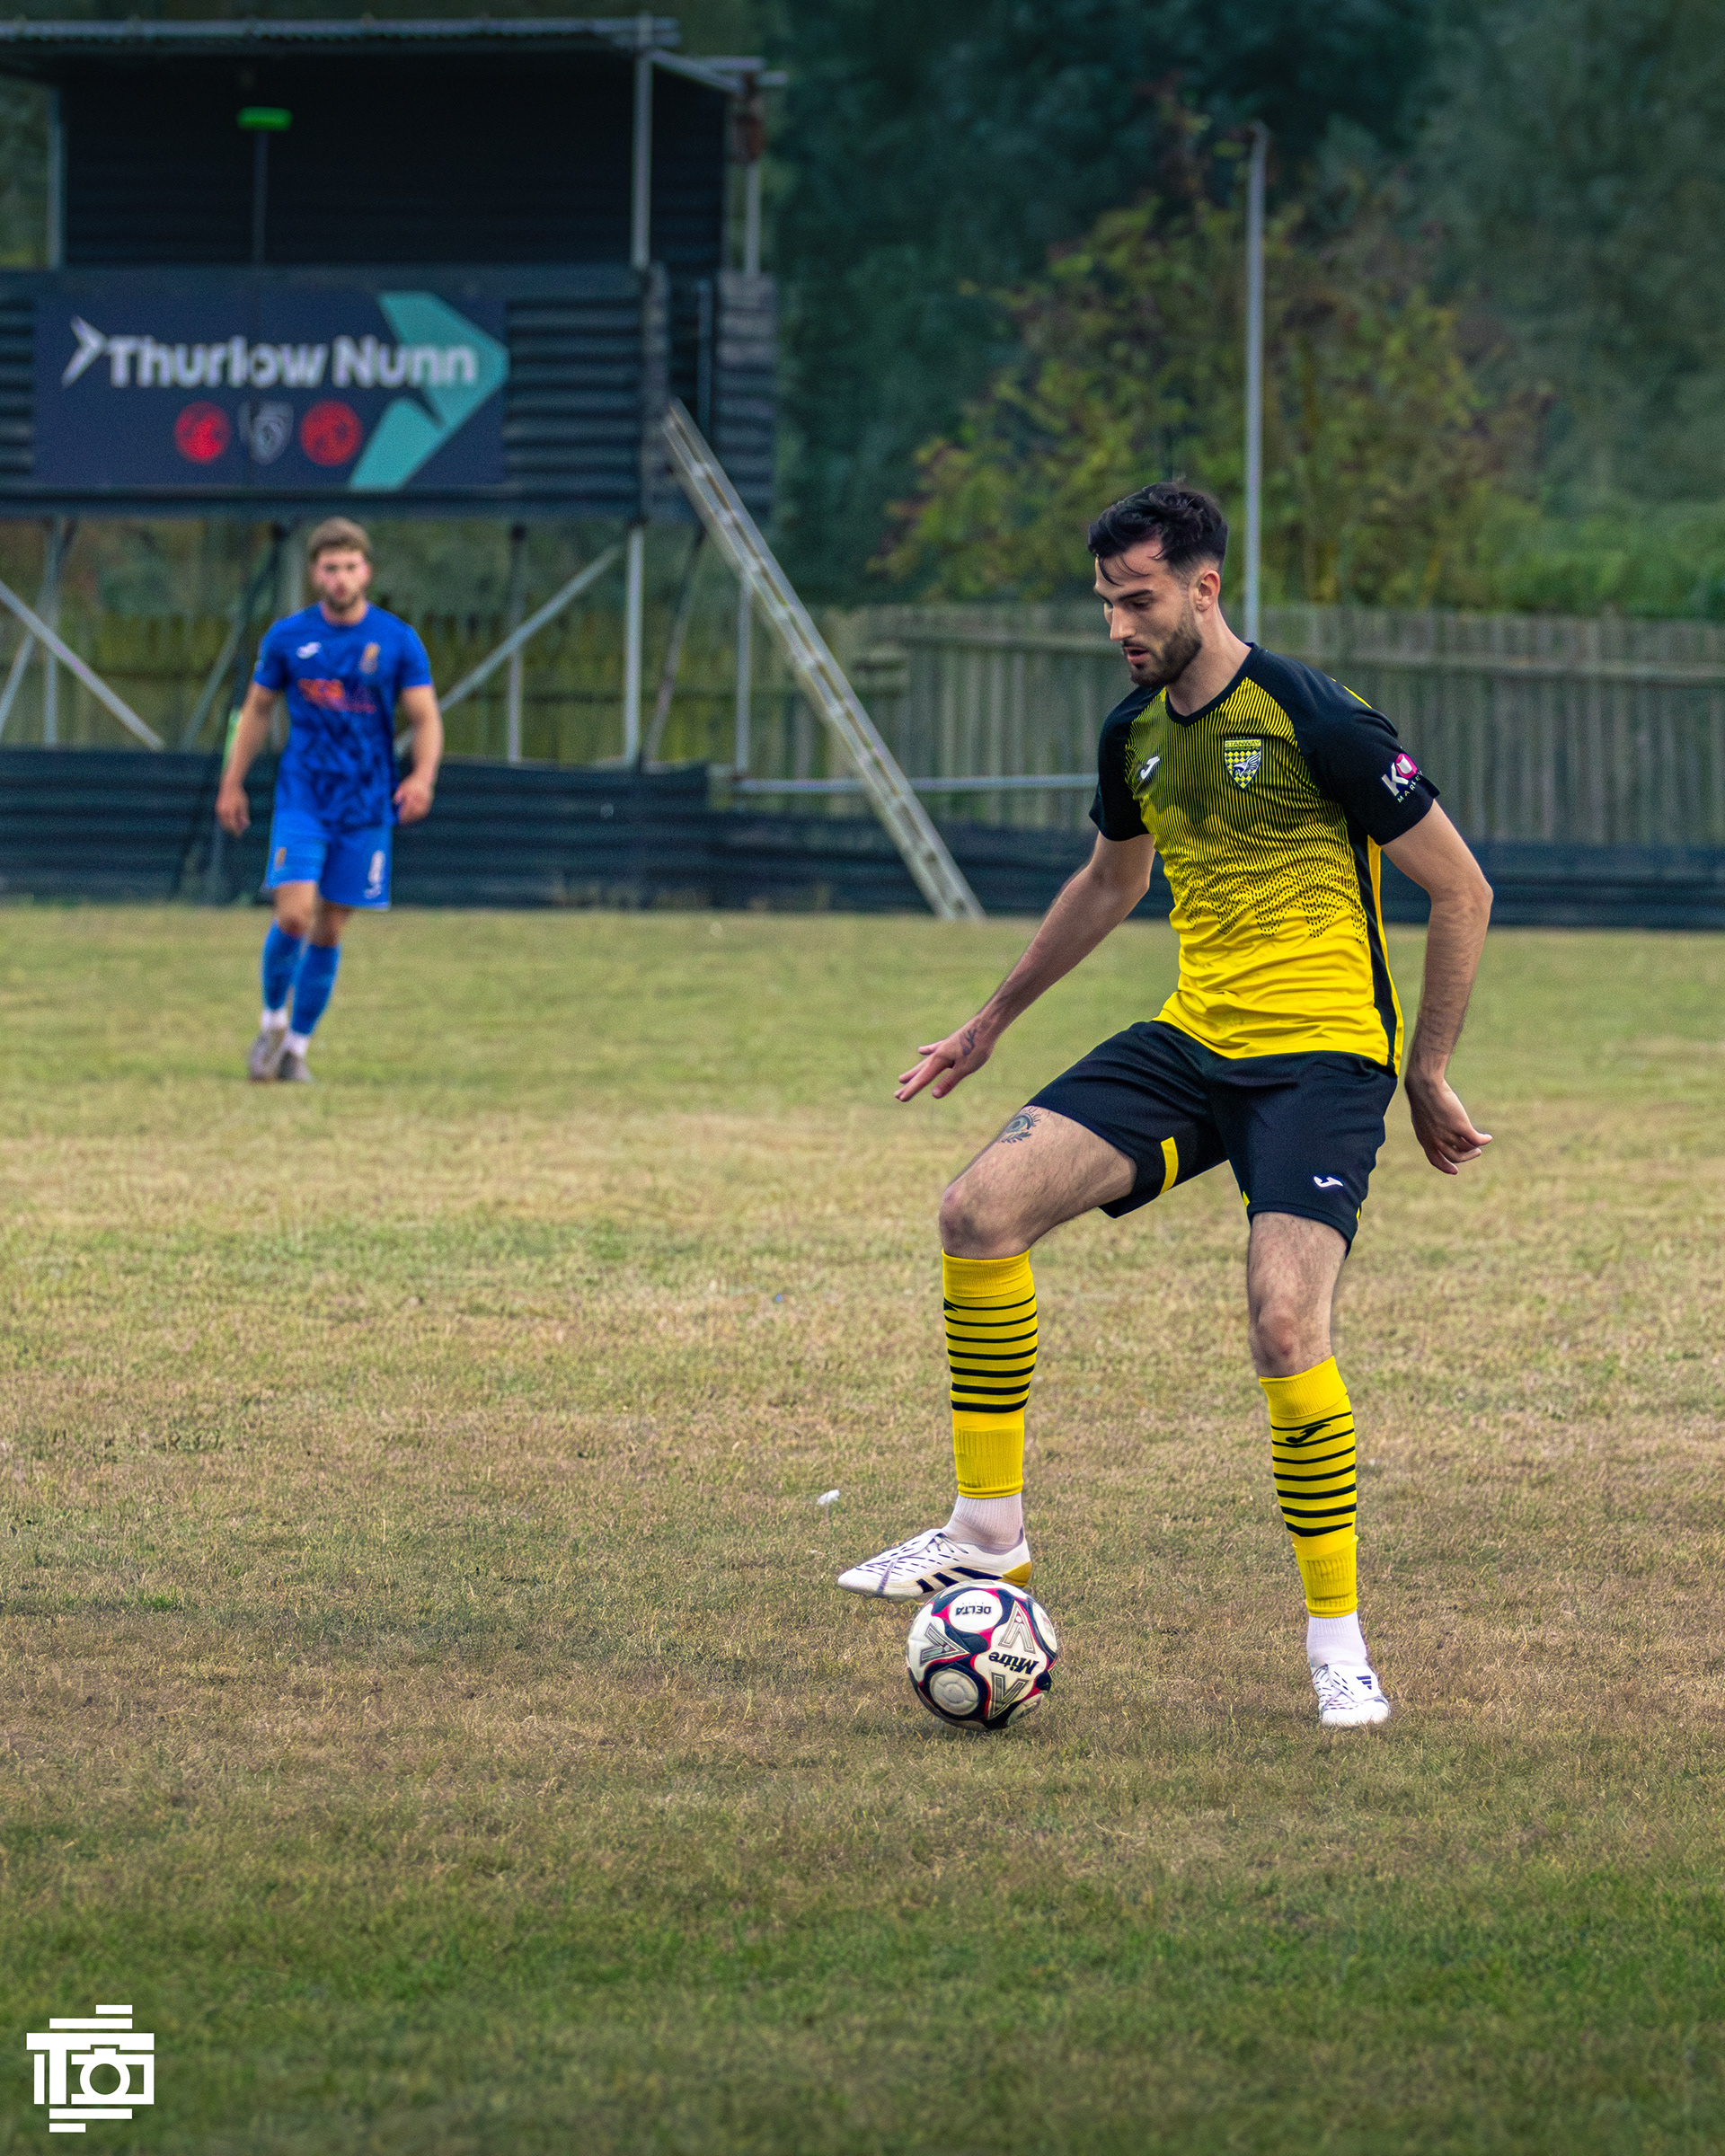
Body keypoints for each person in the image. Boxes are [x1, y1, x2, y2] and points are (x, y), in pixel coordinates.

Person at [836, 482, 1494, 1729]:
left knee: (1285, 1325)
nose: (1118, 626)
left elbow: (1462, 890)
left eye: (1138, 601)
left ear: (1205, 587)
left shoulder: (1317, 718)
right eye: (1105, 603)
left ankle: (1339, 1644)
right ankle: (986, 1533)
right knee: (978, 1211)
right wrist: (989, 1022)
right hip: (1194, 1044)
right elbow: (1111, 881)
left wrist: (1426, 1070)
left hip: (1321, 1060)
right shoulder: (1134, 732)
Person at [216, 517, 443, 1082]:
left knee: (331, 929)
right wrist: (232, 781)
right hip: (305, 796)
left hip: (366, 805)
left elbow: (424, 717)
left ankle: (296, 1049)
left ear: (367, 572)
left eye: (349, 566)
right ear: (315, 575)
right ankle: (271, 1022)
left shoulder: (397, 640)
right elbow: (258, 710)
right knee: (294, 914)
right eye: (329, 568)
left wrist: (422, 777)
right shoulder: (288, 638)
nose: (340, 577)